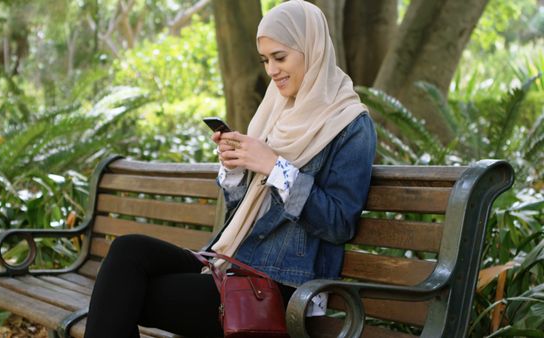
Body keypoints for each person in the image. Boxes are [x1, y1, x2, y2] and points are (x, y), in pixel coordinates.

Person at [84, 0, 376, 337]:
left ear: (313, 49)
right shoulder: (277, 110)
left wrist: (273, 166)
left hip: (283, 283)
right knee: (128, 251)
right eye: (266, 60)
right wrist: (236, 169)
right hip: (233, 260)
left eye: (280, 58)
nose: (271, 70)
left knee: (124, 294)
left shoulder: (350, 124)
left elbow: (339, 223)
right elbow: (245, 209)